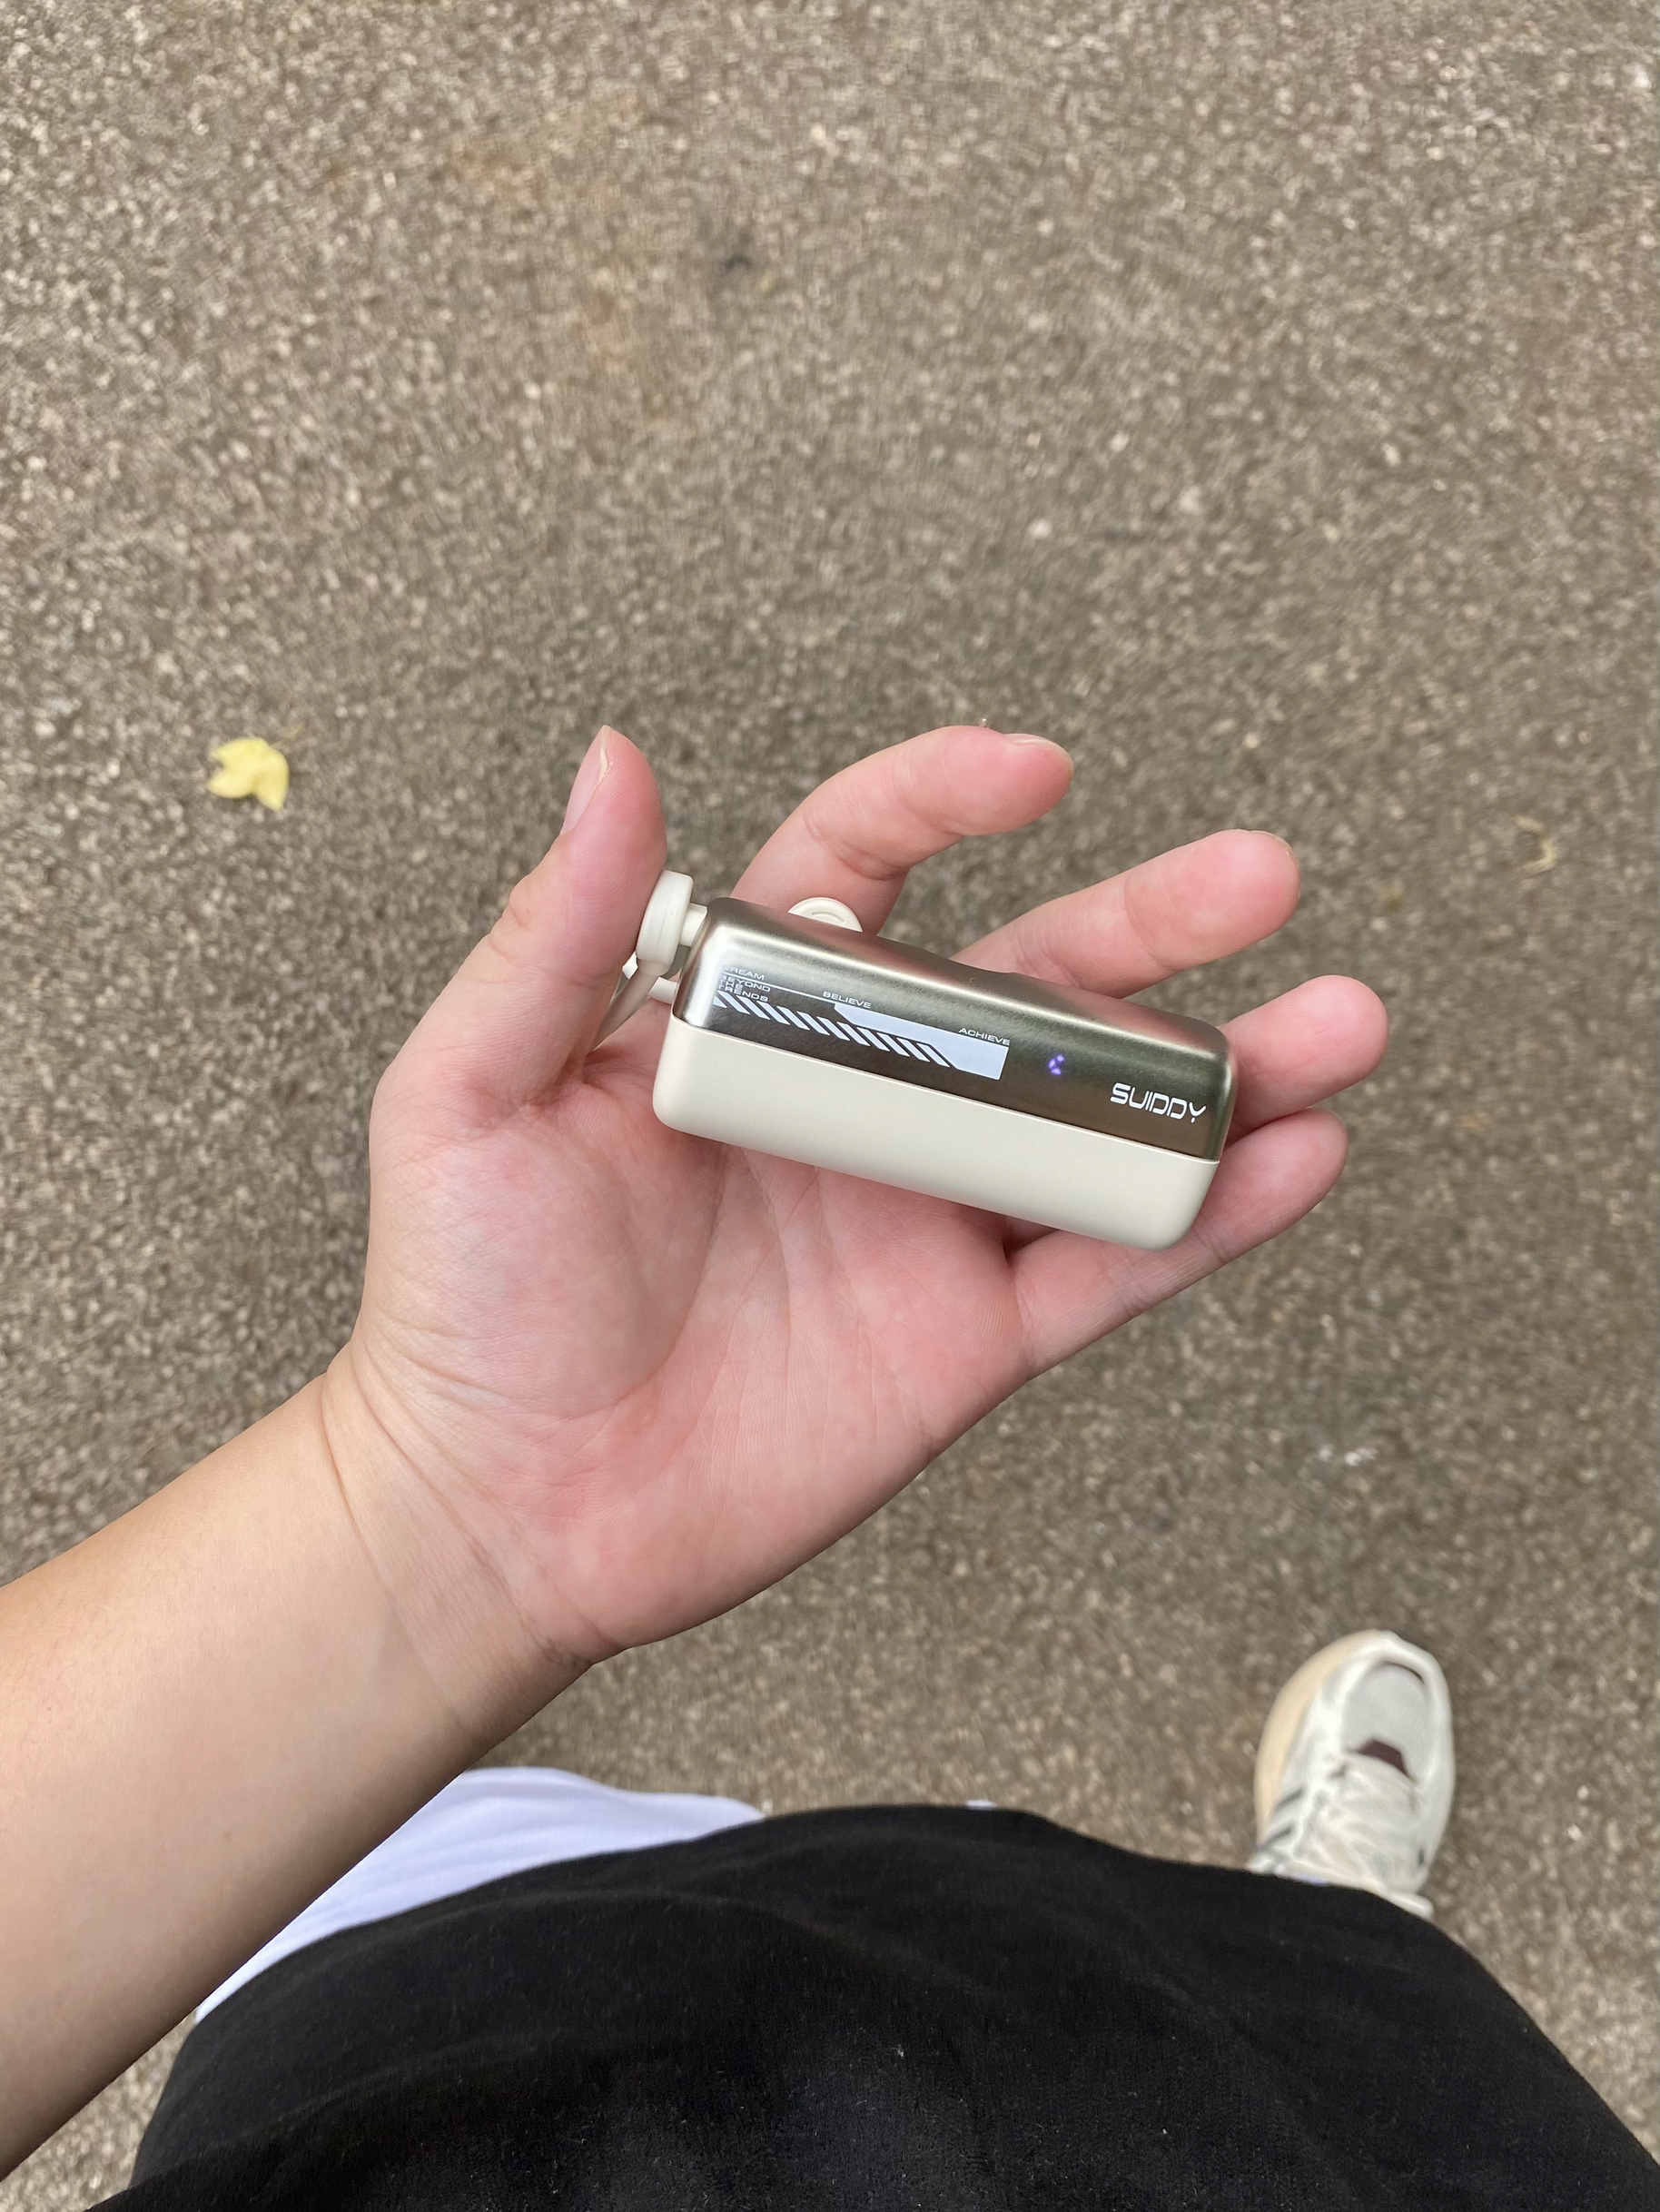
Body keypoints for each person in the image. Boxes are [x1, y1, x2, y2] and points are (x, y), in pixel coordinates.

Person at [1, 727, 1650, 2205]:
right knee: (1299, 2029)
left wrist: (432, 1510)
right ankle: (1317, 1947)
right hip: (1300, 2149)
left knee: (1091, 1952)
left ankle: (1290, 1953)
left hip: (436, 2028)